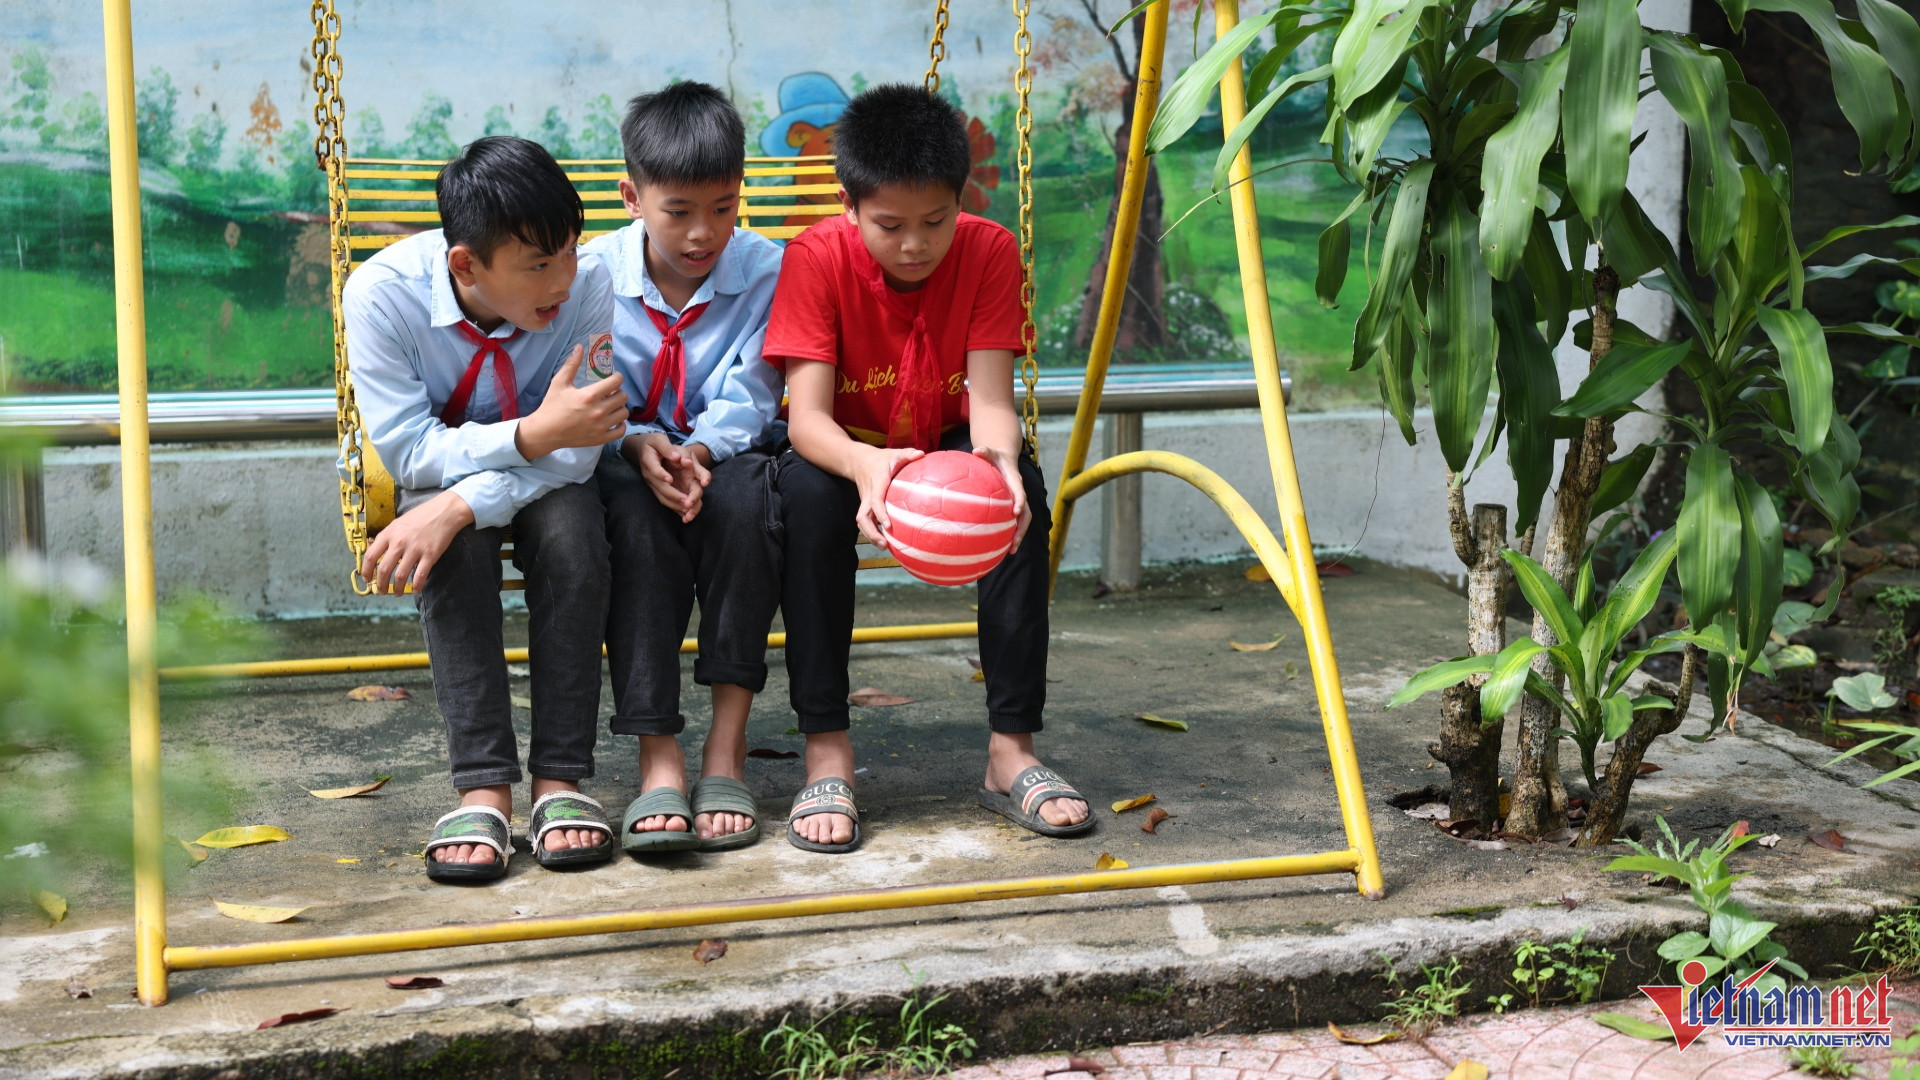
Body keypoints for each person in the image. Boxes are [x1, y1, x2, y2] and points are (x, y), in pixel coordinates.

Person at [763, 84, 1093, 853]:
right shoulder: (816, 258)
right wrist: (865, 465)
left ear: (960, 200)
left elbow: (987, 399)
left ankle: (1011, 751)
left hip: (947, 438)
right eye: (890, 226)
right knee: (806, 501)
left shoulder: (986, 249)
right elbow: (805, 418)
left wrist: (1001, 464)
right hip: (845, 447)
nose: (914, 244)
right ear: (849, 205)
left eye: (933, 222)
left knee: (1023, 500)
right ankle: (828, 747)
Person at [345, 135, 627, 882]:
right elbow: (409, 453)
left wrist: (464, 500)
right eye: (538, 264)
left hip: (546, 479)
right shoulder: (382, 297)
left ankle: (561, 781)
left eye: (568, 250)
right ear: (466, 264)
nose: (563, 279)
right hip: (452, 469)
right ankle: (483, 788)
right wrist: (530, 435)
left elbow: (581, 449)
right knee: (451, 548)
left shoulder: (589, 283)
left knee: (573, 534)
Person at [580, 82, 785, 854]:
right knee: (631, 518)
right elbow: (583, 389)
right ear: (632, 196)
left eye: (724, 208)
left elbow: (760, 387)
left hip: (726, 455)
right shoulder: (591, 276)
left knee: (747, 505)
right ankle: (657, 755)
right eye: (680, 212)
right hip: (626, 455)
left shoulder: (768, 271)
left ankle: (724, 749)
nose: (705, 233)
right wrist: (637, 444)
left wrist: (696, 451)